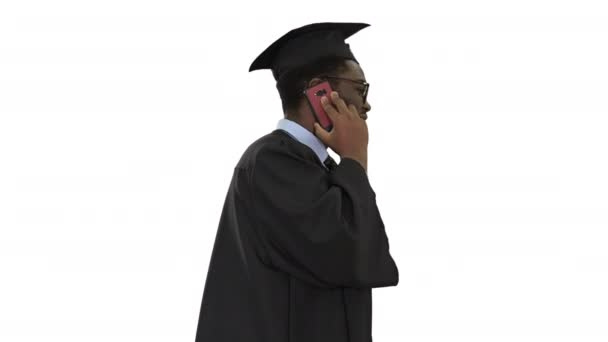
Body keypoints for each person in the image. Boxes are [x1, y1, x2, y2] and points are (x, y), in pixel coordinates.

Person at [194, 22, 399, 342]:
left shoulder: (320, 168)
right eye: (360, 89)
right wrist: (356, 158)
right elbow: (350, 254)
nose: (367, 104)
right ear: (320, 92)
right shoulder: (270, 163)